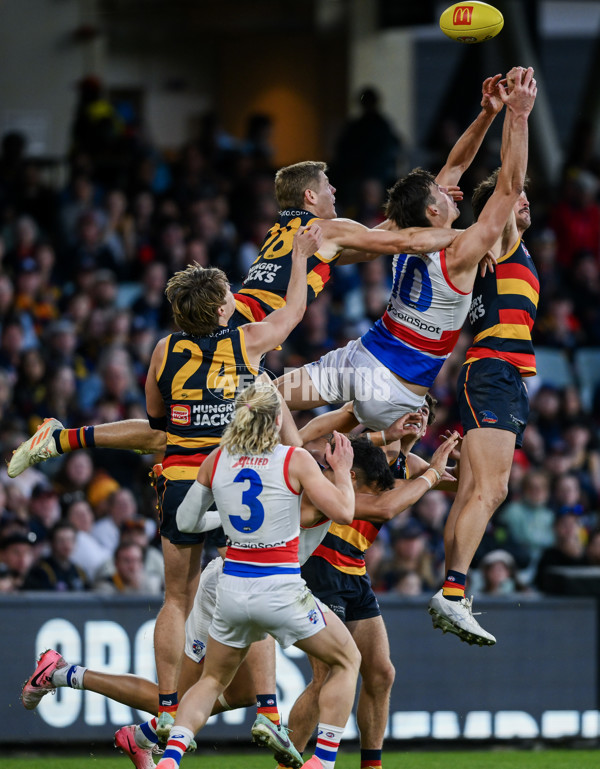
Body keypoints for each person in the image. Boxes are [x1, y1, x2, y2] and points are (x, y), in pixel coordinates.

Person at [6, 159, 460, 479]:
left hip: (231, 333)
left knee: (182, 434)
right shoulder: (325, 231)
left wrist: (438, 204)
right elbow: (404, 243)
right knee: (181, 437)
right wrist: (479, 234)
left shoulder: (287, 229)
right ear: (310, 196)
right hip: (236, 341)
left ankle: (62, 440)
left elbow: (381, 237)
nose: (335, 192)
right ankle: (62, 439)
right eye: (328, 187)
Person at [275, 69, 537, 433]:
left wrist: (488, 113)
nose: (449, 189)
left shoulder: (406, 231)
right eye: (441, 192)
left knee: (263, 398)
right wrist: (518, 114)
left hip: (359, 359)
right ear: (432, 210)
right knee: (384, 460)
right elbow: (508, 188)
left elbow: (456, 165)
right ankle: (301, 459)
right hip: (394, 390)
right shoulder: (462, 249)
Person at [148, 380, 360, 769]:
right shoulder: (294, 459)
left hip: (232, 591)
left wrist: (226, 519)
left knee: (211, 681)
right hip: (280, 589)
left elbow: (186, 521)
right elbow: (344, 512)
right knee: (347, 660)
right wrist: (343, 471)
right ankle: (323, 761)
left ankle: (170, 759)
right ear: (278, 420)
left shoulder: (217, 459)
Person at [428, 70, 539, 645]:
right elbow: (505, 179)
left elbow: (465, 174)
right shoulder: (497, 239)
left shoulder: (499, 247)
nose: (524, 198)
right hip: (493, 368)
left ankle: (454, 591)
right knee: (490, 491)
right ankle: (452, 592)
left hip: (491, 373)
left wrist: (492, 114)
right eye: (515, 195)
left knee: (477, 488)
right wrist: (515, 116)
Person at [282, 413, 459, 769]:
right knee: (327, 675)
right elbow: (383, 503)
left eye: (422, 414)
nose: (415, 419)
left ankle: (371, 765)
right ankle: (287, 764)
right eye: (408, 409)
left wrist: (477, 452)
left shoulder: (411, 465)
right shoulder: (359, 445)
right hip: (319, 563)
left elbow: (470, 483)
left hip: (355, 569)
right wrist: (429, 469)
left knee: (381, 673)